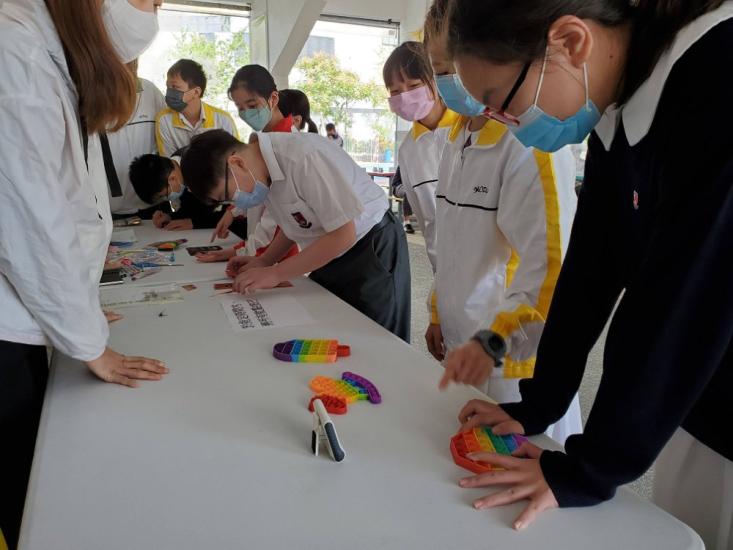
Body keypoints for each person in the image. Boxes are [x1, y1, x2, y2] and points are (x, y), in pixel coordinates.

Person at [446, 0, 733, 545]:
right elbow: (590, 270)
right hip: (696, 393)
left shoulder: (717, 73)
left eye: (502, 103)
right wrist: (540, 403)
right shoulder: (616, 106)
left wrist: (589, 468)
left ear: (571, 42)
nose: (507, 124)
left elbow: (680, 299)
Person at [0, 0, 169, 547]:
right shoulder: (15, 50)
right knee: (34, 496)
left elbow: (69, 205)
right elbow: (30, 224)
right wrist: (89, 341)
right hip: (6, 333)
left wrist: (79, 308)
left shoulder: (49, 55)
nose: (154, 12)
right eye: (150, 0)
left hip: (24, 318)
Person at [423, 0, 582, 445]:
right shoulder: (454, 141)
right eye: (439, 70)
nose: (450, 81)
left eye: (454, 67)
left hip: (514, 362)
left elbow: (553, 266)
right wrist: (438, 311)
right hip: (466, 345)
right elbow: (449, 242)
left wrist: (493, 341)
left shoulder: (528, 145)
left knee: (520, 468)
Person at [181, 129, 412, 342]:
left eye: (228, 195)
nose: (236, 201)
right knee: (336, 334)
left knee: (376, 340)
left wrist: (275, 273)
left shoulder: (303, 158)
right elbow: (296, 222)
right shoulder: (263, 172)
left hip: (370, 247)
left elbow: (344, 233)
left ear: (237, 163)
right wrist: (265, 260)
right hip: (329, 252)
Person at [198, 65, 300, 264]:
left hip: (277, 257)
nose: (246, 113)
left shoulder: (286, 149)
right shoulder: (261, 139)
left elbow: (276, 225)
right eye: (240, 108)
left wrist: (238, 252)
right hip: (260, 252)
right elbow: (253, 186)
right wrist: (233, 211)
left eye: (252, 105)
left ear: (273, 99)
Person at [383, 41, 459, 271]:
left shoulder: (469, 128)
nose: (405, 96)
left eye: (414, 85)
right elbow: (425, 218)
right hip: (442, 265)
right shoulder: (409, 150)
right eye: (395, 91)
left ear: (436, 80)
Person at [128, 152, 247, 237]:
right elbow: (195, 209)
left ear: (172, 179)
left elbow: (234, 210)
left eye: (164, 195)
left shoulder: (205, 169)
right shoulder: (176, 166)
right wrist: (170, 217)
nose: (166, 199)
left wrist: (195, 223)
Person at [105, 59, 166, 217]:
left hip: (151, 203)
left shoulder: (150, 91)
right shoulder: (95, 94)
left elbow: (166, 134)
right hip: (108, 204)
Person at [155, 58, 239, 157]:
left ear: (196, 92)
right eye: (168, 87)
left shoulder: (223, 120)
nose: (169, 92)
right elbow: (169, 162)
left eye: (174, 87)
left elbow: (236, 157)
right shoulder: (164, 119)